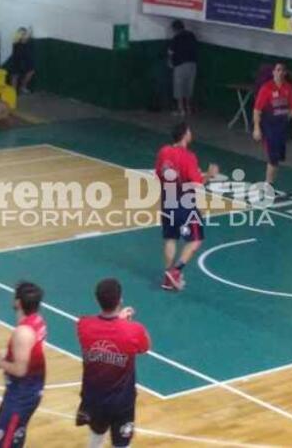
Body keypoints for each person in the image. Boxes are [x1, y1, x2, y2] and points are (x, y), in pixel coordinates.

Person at [76, 278, 151, 448]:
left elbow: (104, 327)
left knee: (96, 436)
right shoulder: (134, 330)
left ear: (97, 299)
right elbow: (145, 347)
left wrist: (119, 320)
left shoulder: (83, 325)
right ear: (120, 300)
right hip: (122, 402)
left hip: (93, 398)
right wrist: (124, 322)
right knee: (122, 444)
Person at [0, 282, 47, 448]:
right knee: (13, 434)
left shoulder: (23, 332)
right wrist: (4, 359)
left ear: (18, 302)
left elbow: (20, 370)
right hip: (27, 391)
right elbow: (26, 351)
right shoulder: (38, 321)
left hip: (21, 394)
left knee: (6, 441)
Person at [156, 122, 218, 290]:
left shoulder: (164, 151)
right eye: (189, 131)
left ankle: (167, 277)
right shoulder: (189, 156)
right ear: (184, 135)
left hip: (167, 201)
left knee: (171, 239)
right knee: (196, 240)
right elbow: (196, 184)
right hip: (185, 204)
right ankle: (176, 271)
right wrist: (209, 175)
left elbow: (160, 175)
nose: (191, 133)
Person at [252, 62, 292, 184]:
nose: (280, 73)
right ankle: (268, 184)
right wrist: (257, 128)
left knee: (278, 158)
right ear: (273, 72)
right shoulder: (266, 88)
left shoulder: (288, 88)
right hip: (269, 125)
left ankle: (271, 183)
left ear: (285, 73)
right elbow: (257, 110)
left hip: (282, 126)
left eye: (282, 70)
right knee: (273, 156)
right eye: (278, 70)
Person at [168, 20, 197, 118]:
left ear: (175, 29)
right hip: (192, 64)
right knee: (189, 87)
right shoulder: (191, 35)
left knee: (179, 87)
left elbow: (171, 53)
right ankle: (188, 108)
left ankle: (181, 110)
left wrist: (170, 62)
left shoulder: (176, 38)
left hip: (180, 65)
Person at [7, 27, 35, 94]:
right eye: (22, 34)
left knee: (31, 71)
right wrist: (24, 34)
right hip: (16, 62)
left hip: (24, 62)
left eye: (24, 34)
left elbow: (27, 38)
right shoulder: (16, 41)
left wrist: (29, 31)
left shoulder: (26, 41)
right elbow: (18, 39)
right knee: (15, 75)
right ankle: (13, 91)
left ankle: (22, 87)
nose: (23, 35)